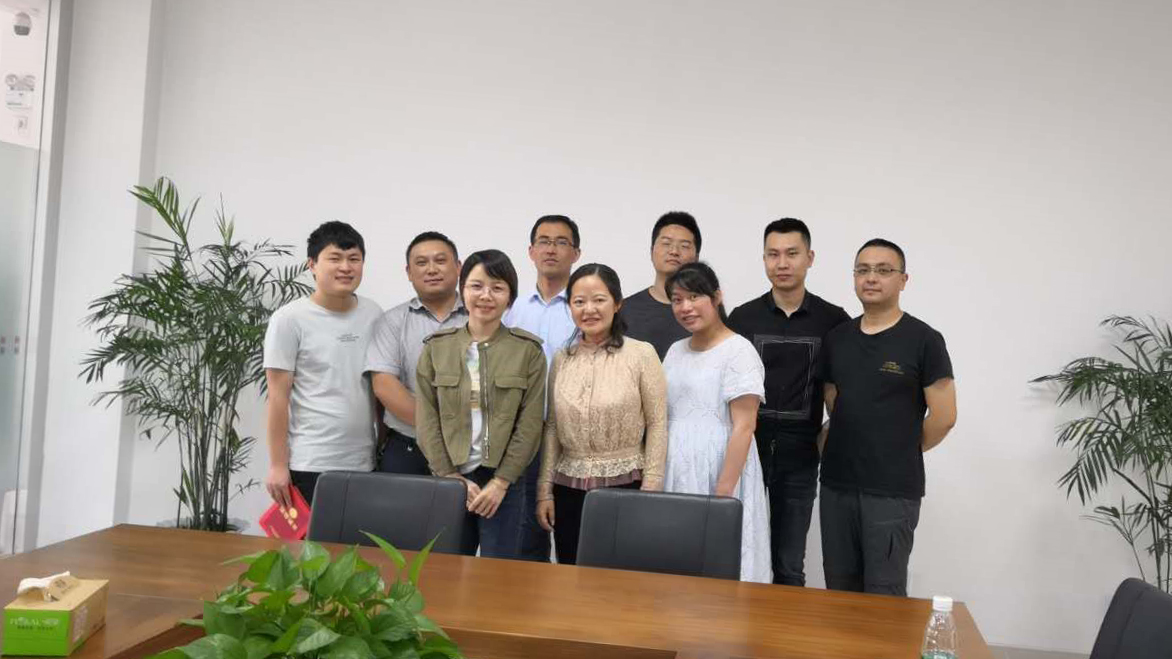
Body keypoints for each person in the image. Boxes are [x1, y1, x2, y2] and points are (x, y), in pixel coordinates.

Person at [819, 238, 957, 596]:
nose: (871, 278)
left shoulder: (924, 340)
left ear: (903, 280)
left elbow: (944, 416)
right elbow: (833, 401)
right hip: (836, 485)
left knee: (884, 596)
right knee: (839, 590)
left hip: (892, 490)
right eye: (863, 270)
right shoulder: (837, 339)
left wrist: (900, 448)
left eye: (883, 270)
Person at [727, 218, 849, 587]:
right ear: (764, 259)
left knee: (789, 563)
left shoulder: (834, 321)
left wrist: (828, 436)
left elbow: (844, 391)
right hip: (747, 452)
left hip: (801, 458)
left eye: (792, 254)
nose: (782, 263)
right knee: (737, 553)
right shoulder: (742, 318)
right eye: (773, 254)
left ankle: (781, 627)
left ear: (810, 258)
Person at [415, 249, 546, 559]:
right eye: (476, 286)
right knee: (445, 569)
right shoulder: (437, 348)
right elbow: (427, 419)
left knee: (499, 573)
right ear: (462, 290)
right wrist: (449, 476)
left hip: (503, 481)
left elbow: (530, 424)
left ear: (510, 297)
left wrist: (501, 481)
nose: (486, 296)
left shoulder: (528, 351)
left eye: (497, 288)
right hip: (450, 476)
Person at [536, 263, 668, 565]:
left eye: (599, 300)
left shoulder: (641, 354)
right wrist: (545, 491)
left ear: (617, 303)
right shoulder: (562, 359)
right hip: (568, 488)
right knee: (571, 572)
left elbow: (657, 423)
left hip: (626, 486)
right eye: (579, 301)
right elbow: (553, 427)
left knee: (621, 576)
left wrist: (651, 487)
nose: (589, 309)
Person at [661, 262, 771, 583]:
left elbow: (745, 427)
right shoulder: (675, 350)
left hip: (720, 470)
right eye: (677, 300)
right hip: (676, 468)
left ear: (717, 297)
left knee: (721, 562)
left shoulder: (739, 351)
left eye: (694, 296)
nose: (686, 307)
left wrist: (723, 492)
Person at [263, 221, 384, 508]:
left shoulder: (373, 313)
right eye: (335, 258)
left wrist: (382, 443)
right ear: (312, 265)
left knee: (361, 539)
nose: (346, 267)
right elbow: (278, 398)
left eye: (354, 259)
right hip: (311, 462)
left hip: (364, 462)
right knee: (315, 540)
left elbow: (379, 387)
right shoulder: (289, 319)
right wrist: (278, 465)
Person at [502, 215, 581, 561]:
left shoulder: (584, 309)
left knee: (574, 540)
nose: (552, 249)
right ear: (531, 251)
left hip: (573, 438)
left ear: (576, 253)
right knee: (526, 539)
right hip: (526, 438)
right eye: (544, 241)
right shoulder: (511, 310)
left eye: (562, 242)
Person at [366, 231, 467, 475]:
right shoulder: (392, 321)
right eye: (421, 263)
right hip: (408, 449)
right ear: (409, 272)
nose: (431, 269)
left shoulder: (482, 317)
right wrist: (439, 431)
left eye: (440, 260)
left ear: (458, 267)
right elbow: (384, 385)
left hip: (469, 449)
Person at [622, 211, 701, 360]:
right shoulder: (623, 310)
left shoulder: (706, 312)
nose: (674, 251)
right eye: (666, 243)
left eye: (684, 246)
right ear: (651, 251)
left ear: (696, 258)